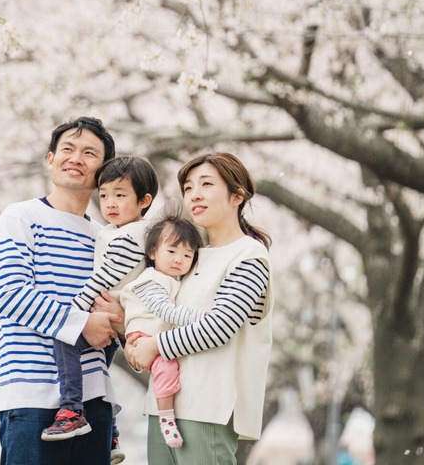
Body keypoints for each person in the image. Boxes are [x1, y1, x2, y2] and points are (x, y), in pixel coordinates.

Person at [0, 117, 124, 465]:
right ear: (50, 159)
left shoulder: (105, 238)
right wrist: (81, 324)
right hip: (30, 395)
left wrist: (119, 321)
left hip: (94, 400)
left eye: (89, 153)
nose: (76, 158)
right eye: (68, 149)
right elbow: (8, 293)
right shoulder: (20, 217)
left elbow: (122, 306)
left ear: (103, 171)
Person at [125, 152, 273, 465]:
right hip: (161, 407)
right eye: (189, 187)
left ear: (237, 195)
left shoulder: (248, 256)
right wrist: (135, 342)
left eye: (206, 184)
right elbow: (155, 311)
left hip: (208, 409)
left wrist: (154, 346)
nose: (195, 194)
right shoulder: (186, 257)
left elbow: (219, 328)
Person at [42, 156, 161, 462]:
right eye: (104, 194)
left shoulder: (133, 235)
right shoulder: (115, 230)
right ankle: (110, 434)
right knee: (98, 369)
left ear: (144, 200)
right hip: (119, 316)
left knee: (65, 339)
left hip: (122, 315)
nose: (110, 203)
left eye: (120, 195)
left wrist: (75, 310)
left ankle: (71, 410)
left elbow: (104, 275)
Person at [118, 215, 206, 450]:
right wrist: (200, 318)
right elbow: (164, 311)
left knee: (166, 369)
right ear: (153, 252)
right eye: (172, 251)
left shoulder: (169, 280)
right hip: (146, 335)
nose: (179, 260)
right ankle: (167, 419)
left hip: (152, 336)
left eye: (187, 255)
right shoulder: (151, 280)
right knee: (167, 368)